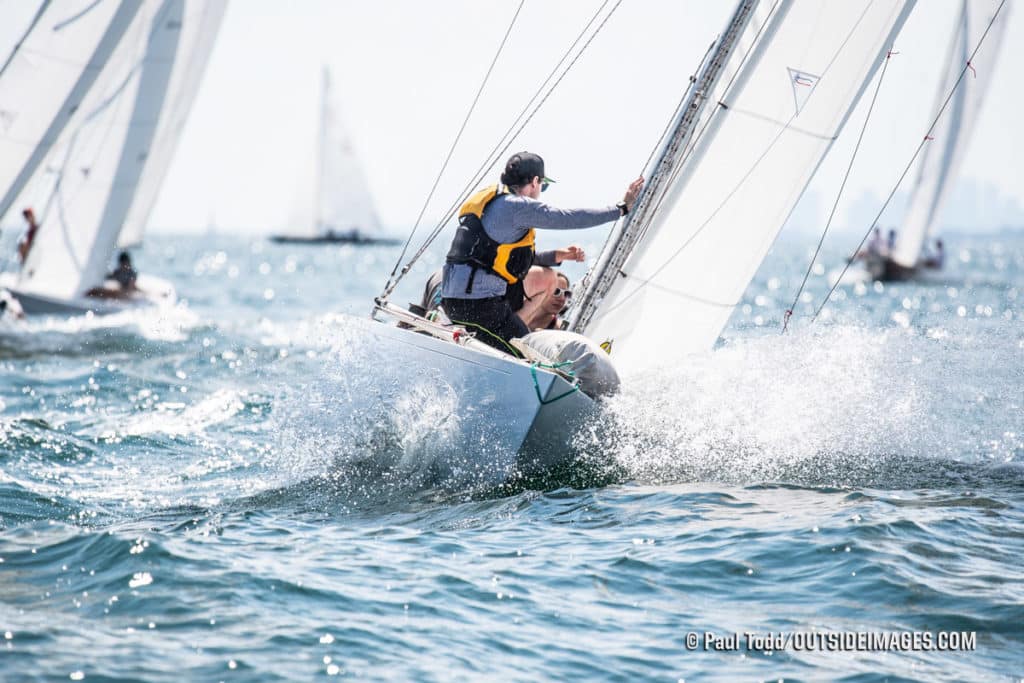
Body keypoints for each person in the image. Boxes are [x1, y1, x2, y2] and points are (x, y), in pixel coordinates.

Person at [442, 151, 643, 354]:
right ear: (535, 181)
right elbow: (567, 218)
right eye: (543, 186)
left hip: (452, 301)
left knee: (507, 341)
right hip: (480, 307)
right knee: (526, 353)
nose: (541, 190)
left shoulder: (492, 201)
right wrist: (620, 209)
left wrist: (556, 256)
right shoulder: (517, 207)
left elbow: (497, 259)